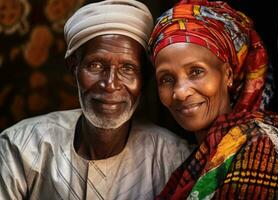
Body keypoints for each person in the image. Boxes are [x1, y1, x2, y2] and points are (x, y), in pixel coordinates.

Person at [0, 0, 191, 199]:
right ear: (74, 68)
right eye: (96, 65)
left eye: (128, 68)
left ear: (144, 78)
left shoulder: (172, 160)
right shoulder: (21, 147)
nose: (110, 84)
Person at [148, 0, 278, 199]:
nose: (180, 92)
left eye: (196, 72)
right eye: (166, 79)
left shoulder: (259, 146)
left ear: (227, 75)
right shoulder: (199, 156)